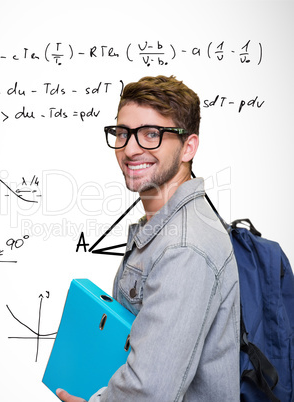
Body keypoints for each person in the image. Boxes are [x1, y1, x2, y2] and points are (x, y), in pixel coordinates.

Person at [57, 75, 240, 401]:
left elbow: (150, 392)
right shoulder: (160, 227)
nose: (130, 149)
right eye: (123, 133)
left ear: (188, 147)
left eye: (151, 134)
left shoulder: (185, 247)